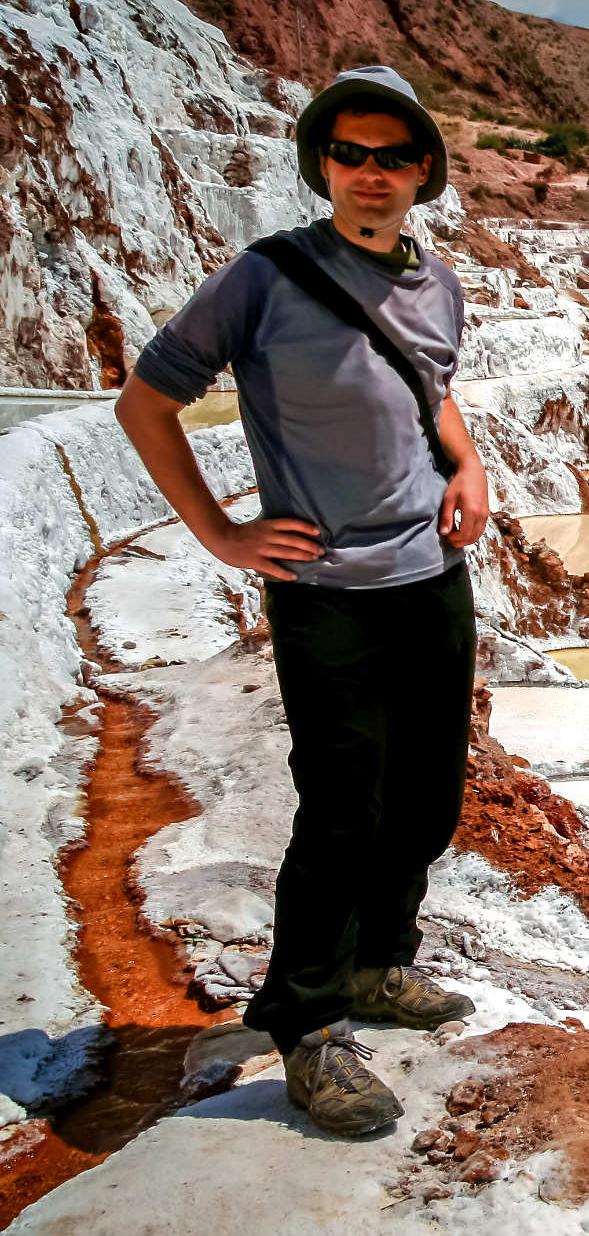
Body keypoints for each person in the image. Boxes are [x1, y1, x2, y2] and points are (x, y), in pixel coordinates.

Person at [116, 66, 490, 1136]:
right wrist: (220, 532)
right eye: (350, 154)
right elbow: (146, 402)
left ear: (424, 171)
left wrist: (467, 466)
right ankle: (309, 1021)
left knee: (426, 796)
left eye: (393, 156)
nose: (371, 173)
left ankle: (377, 963)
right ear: (321, 163)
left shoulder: (436, 281)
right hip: (327, 591)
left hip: (431, 575)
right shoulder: (265, 277)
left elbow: (433, 389)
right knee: (341, 808)